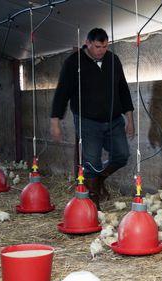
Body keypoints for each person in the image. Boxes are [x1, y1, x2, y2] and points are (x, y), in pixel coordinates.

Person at [50, 28, 134, 209]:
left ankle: (98, 180)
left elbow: (123, 89)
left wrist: (130, 118)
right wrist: (55, 120)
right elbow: (62, 92)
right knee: (91, 163)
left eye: (105, 46)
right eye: (98, 46)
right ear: (88, 43)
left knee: (122, 155)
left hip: (114, 120)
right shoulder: (74, 63)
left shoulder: (113, 60)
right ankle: (94, 207)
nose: (102, 50)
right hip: (88, 122)